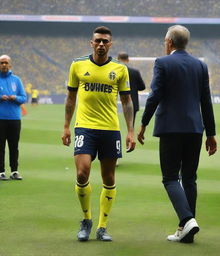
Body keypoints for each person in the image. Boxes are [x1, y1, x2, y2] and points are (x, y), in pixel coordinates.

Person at [137, 25, 217, 243]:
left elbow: (155, 96)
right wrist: (211, 133)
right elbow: (206, 102)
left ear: (169, 42)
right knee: (190, 178)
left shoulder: (162, 63)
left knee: (171, 177)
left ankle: (187, 218)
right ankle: (186, 231)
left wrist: (143, 123)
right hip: (194, 129)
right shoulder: (200, 66)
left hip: (171, 129)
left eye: (165, 41)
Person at [62, 26, 136, 242]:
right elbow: (70, 98)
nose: (101, 44)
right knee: (82, 173)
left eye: (105, 41)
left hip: (110, 130)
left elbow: (127, 101)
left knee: (109, 178)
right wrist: (67, 126)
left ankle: (102, 226)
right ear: (91, 43)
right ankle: (87, 220)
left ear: (110, 44)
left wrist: (130, 130)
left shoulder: (120, 70)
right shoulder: (77, 65)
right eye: (98, 41)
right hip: (84, 127)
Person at [0, 55, 26, 180]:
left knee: (14, 146)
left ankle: (14, 171)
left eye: (6, 63)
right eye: (1, 63)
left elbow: (24, 98)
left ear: (10, 65)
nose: (3, 65)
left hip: (15, 119)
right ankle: (1, 172)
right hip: (0, 118)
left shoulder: (16, 80)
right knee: (0, 146)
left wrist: (15, 98)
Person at [117, 52, 146, 126]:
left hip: (115, 103)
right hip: (132, 102)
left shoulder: (114, 72)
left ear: (118, 59)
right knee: (130, 126)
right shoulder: (134, 72)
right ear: (128, 60)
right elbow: (142, 87)